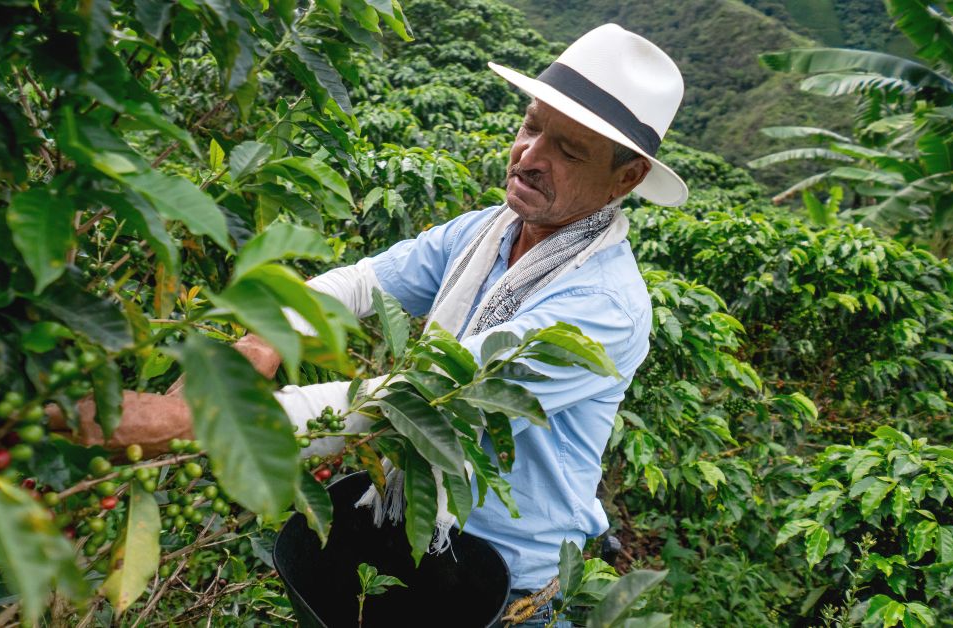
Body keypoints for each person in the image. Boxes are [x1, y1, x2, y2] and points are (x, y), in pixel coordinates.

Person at [67, 24, 688, 626]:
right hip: (406, 543)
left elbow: (432, 401)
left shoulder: (603, 308)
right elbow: (363, 283)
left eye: (568, 150)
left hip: (503, 590)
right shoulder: (484, 232)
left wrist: (202, 421)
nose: (530, 155)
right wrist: (262, 341)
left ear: (626, 178)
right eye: (531, 126)